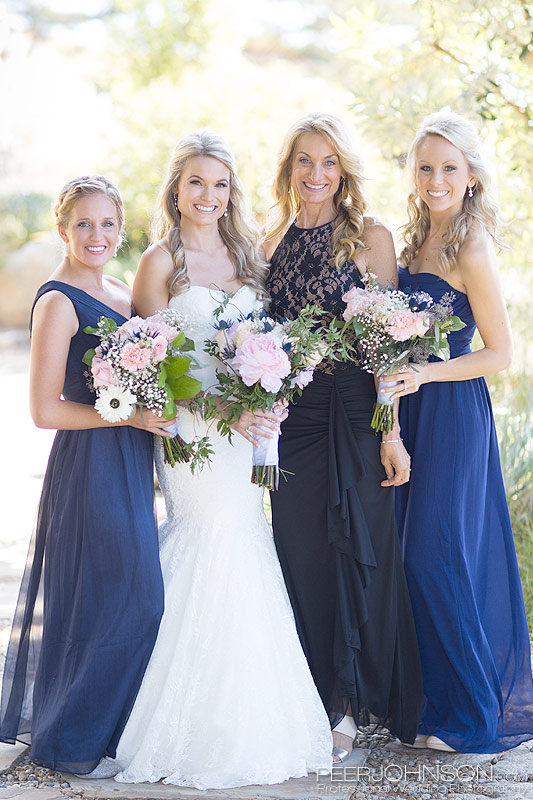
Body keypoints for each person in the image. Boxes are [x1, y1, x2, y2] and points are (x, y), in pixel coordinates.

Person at [113, 129, 332, 790]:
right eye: (196, 183)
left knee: (246, 543)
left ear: (231, 192)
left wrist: (274, 395)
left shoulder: (247, 258)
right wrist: (223, 411)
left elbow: (264, 349)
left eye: (220, 184)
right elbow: (156, 369)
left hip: (245, 440)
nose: (208, 195)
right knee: (207, 541)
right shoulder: (160, 261)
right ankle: (171, 722)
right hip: (193, 437)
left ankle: (259, 721)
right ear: (176, 190)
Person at [263, 112, 424, 762]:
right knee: (300, 556)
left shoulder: (370, 237)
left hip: (355, 415)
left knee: (354, 551)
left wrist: (389, 434)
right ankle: (307, 692)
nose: (316, 174)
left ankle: (349, 705)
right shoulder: (267, 240)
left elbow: (386, 345)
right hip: (292, 423)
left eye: (328, 162)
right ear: (287, 169)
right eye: (304, 160)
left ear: (343, 170)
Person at [0, 176, 171, 776]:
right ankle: (72, 741)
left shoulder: (126, 294)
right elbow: (44, 411)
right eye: (83, 225)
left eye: (106, 224)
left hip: (131, 458)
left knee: (113, 600)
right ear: (62, 230)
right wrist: (127, 414)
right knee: (133, 599)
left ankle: (100, 735)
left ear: (121, 229)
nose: (95, 236)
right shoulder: (56, 302)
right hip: (89, 463)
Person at [388, 110, 533, 753]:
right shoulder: (412, 239)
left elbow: (501, 354)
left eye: (449, 167)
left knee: (437, 554)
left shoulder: (471, 246)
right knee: (408, 554)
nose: (437, 178)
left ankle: (472, 714)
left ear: (471, 176)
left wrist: (426, 370)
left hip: (453, 415)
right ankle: (430, 706)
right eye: (426, 167)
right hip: (410, 410)